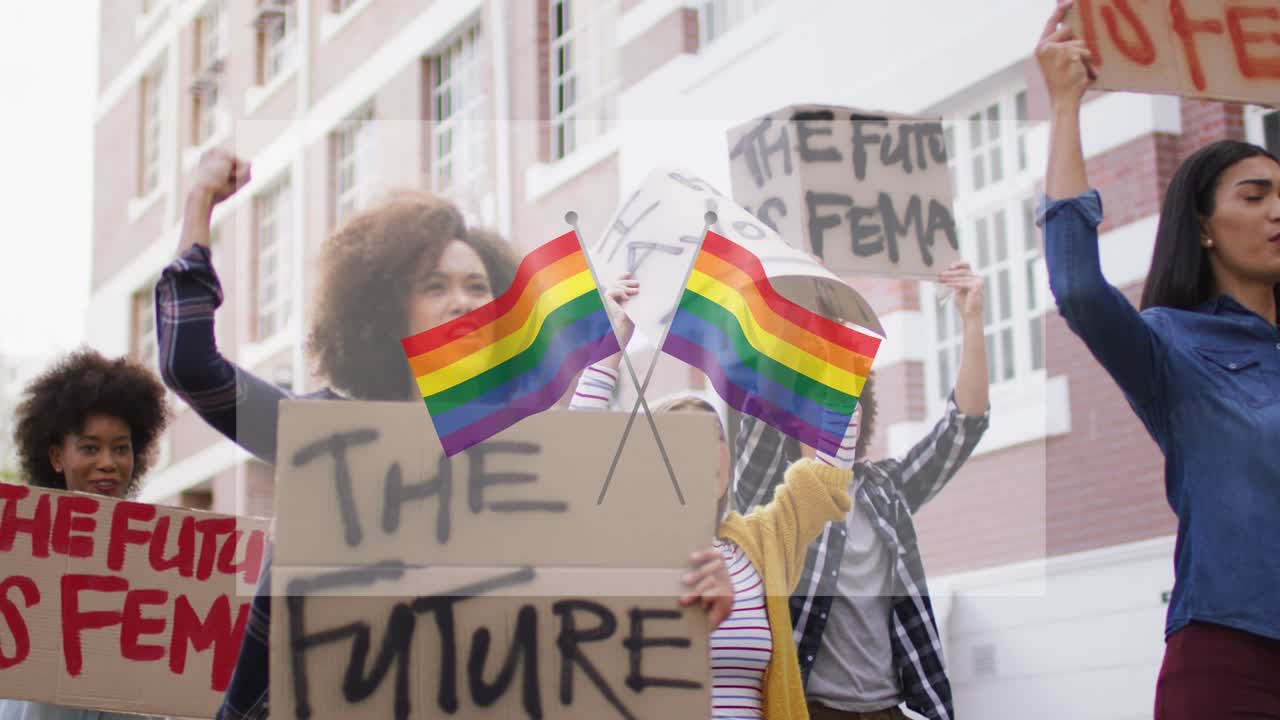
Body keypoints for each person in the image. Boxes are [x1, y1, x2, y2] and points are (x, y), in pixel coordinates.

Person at [158, 149, 732, 719]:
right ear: (387, 309)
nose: (461, 301)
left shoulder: (532, 461)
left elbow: (594, 608)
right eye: (435, 285)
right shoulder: (326, 436)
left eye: (478, 286)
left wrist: (692, 597)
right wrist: (199, 203)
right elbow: (190, 365)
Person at [1036, 2, 1280, 717]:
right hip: (1233, 658)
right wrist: (1064, 108)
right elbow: (1078, 287)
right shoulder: (1172, 343)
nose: (1277, 212)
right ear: (1203, 227)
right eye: (1256, 195)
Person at [569, 279, 860, 720]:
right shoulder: (623, 547)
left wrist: (827, 351)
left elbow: (830, 468)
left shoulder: (764, 543)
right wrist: (609, 346)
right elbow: (568, 466)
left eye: (714, 439)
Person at [733, 259, 991, 720]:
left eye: (844, 396)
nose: (834, 408)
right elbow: (757, 414)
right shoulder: (772, 502)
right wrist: (796, 314)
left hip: (889, 709)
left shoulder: (884, 491)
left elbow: (961, 428)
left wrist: (972, 320)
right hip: (812, 709)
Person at [1, 349, 170, 719]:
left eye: (121, 448)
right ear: (57, 457)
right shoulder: (16, 549)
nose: (107, 463)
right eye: (90, 448)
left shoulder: (167, 557)